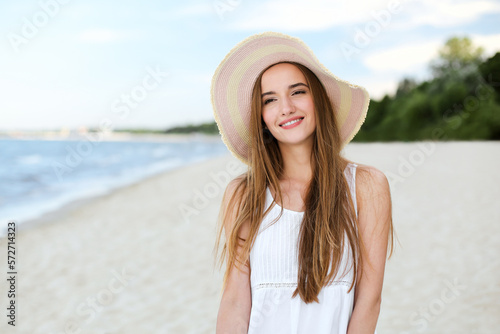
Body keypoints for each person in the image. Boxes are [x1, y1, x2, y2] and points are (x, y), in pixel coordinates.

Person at [211, 32, 394, 334]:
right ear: (262, 118)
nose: (286, 108)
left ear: (318, 100)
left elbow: (369, 300)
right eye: (269, 100)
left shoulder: (367, 186)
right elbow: (234, 302)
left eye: (297, 92)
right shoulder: (243, 194)